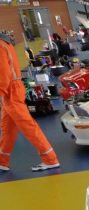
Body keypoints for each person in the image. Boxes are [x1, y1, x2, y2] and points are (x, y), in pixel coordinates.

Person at [0, 32, 60, 172]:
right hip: (12, 91)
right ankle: (2, 161)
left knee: (28, 126)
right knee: (8, 128)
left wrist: (1, 92)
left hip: (11, 92)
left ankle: (50, 159)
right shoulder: (5, 43)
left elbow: (3, 76)